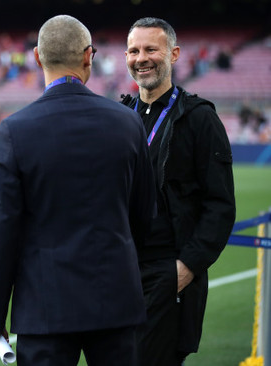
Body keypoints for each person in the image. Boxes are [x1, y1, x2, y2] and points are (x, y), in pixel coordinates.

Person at [0, 15, 155, 366]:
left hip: (46, 307)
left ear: (37, 57)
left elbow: (1, 234)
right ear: (89, 56)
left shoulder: (15, 130)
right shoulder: (127, 121)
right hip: (116, 302)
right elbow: (144, 214)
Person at [121, 17, 236, 366]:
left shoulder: (200, 118)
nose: (141, 58)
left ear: (173, 54)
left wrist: (185, 269)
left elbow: (220, 206)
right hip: (120, 271)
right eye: (133, 50)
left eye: (150, 49)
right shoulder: (119, 115)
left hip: (168, 271)